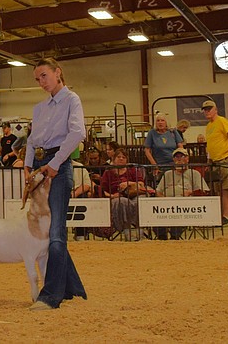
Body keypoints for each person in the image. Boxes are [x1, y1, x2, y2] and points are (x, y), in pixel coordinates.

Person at [25, 58, 87, 311]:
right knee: (51, 230)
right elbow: (31, 139)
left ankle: (51, 295)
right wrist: (28, 165)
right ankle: (73, 288)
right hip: (40, 167)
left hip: (58, 168)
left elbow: (77, 133)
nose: (41, 82)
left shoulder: (72, 100)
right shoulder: (39, 108)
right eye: (37, 78)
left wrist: (56, 163)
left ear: (57, 72)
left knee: (56, 232)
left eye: (44, 76)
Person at [202, 100, 228, 225]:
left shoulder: (222, 121)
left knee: (225, 188)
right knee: (218, 189)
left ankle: (226, 215)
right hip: (215, 161)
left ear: (216, 110)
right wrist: (209, 160)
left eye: (209, 109)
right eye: (205, 109)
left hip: (225, 159)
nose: (207, 111)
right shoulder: (209, 126)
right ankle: (221, 214)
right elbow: (210, 144)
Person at [155, 147, 208, 239]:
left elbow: (204, 190)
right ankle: (162, 238)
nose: (179, 159)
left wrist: (191, 192)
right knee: (155, 212)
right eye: (176, 157)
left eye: (182, 156)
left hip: (185, 206)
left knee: (177, 212)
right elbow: (158, 191)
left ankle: (174, 238)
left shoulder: (194, 173)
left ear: (187, 159)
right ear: (173, 160)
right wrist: (162, 199)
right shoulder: (168, 174)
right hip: (166, 206)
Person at [98, 148, 149, 238]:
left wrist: (128, 183)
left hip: (134, 194)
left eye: (123, 157)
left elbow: (141, 184)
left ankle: (140, 228)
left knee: (141, 201)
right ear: (113, 159)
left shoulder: (132, 170)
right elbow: (102, 190)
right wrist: (112, 196)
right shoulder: (108, 172)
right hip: (116, 197)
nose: (121, 159)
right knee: (122, 202)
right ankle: (126, 230)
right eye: (119, 157)